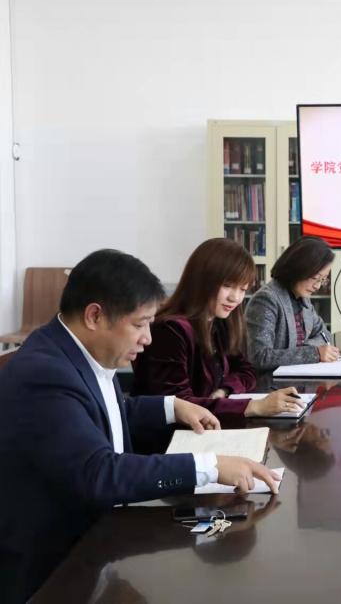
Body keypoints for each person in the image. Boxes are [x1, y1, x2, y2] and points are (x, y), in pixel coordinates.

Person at [0, 249, 279, 603]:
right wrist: (210, 466)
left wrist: (172, 406)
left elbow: (107, 412)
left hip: (99, 534)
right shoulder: (45, 373)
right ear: (95, 316)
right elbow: (99, 473)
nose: (147, 338)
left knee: (210, 538)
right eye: (140, 324)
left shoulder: (74, 351)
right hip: (56, 565)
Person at [132, 238, 302, 421]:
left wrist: (225, 390)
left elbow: (247, 370)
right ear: (201, 280)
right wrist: (254, 406)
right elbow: (179, 406)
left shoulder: (220, 321)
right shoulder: (170, 330)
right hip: (174, 434)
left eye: (242, 289)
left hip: (209, 427)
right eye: (227, 286)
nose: (235, 298)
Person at [245, 236, 340, 380]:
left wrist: (307, 348)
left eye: (323, 279)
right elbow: (260, 356)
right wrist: (314, 353)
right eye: (315, 278)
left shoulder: (303, 299)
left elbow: (325, 335)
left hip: (295, 379)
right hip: (268, 384)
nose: (318, 286)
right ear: (299, 268)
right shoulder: (266, 300)